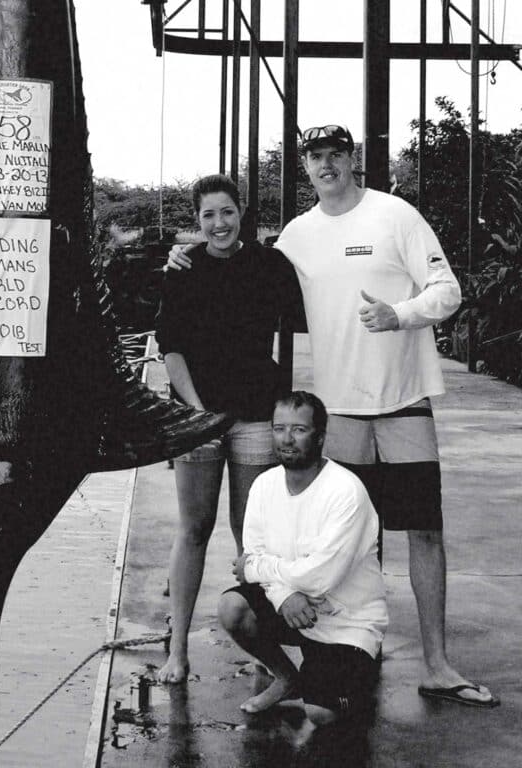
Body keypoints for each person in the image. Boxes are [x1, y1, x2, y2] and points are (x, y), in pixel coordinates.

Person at [168, 124, 498, 707]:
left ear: (353, 160)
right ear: (307, 168)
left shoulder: (396, 214)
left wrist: (401, 314)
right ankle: (346, 651)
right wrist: (184, 253)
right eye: (314, 157)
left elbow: (447, 292)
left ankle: (437, 664)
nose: (325, 165)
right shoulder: (297, 235)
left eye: (335, 155)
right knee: (348, 541)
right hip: (338, 410)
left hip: (404, 401)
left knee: (424, 532)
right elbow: (242, 260)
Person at [154, 174, 303, 684]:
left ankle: (262, 647)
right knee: (193, 529)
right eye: (207, 216)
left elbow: (299, 324)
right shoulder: (182, 270)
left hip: (256, 418)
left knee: (251, 536)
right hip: (198, 419)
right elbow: (170, 347)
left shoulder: (270, 264)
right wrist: (196, 413)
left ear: (241, 214)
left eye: (226, 212)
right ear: (197, 222)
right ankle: (177, 650)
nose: (218, 224)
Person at [220, 391, 387, 735]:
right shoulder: (264, 485)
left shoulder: (345, 491)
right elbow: (254, 549)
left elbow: (319, 576)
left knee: (321, 713)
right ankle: (287, 678)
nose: (286, 438)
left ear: (321, 437)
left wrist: (257, 569)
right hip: (294, 609)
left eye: (299, 429)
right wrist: (283, 596)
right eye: (279, 428)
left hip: (345, 622)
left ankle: (354, 676)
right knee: (231, 608)